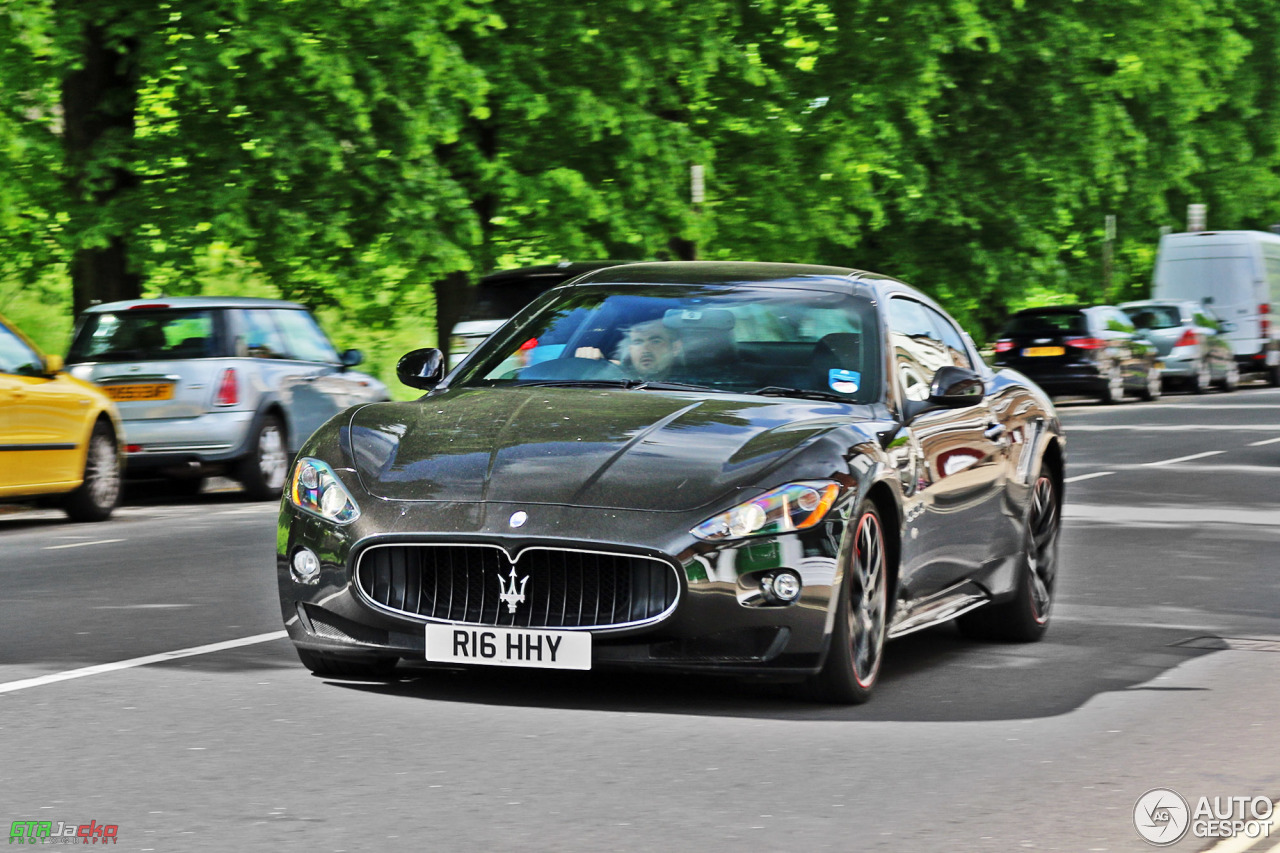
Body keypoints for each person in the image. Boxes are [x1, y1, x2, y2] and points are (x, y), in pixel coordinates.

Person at [576, 318, 683, 380]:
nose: (645, 349)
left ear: (675, 348)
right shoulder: (614, 377)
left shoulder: (693, 385)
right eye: (638, 342)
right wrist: (597, 366)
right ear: (630, 349)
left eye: (655, 341)